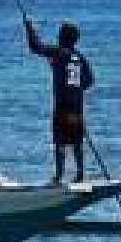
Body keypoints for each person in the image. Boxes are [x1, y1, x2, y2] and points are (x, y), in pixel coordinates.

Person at [25, 19, 94, 184]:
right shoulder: (79, 57)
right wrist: (75, 89)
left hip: (63, 105)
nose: (57, 36)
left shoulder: (59, 52)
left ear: (63, 37)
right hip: (76, 105)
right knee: (76, 141)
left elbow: (36, 47)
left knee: (60, 140)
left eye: (60, 34)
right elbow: (89, 80)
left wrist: (29, 28)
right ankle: (80, 174)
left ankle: (59, 176)